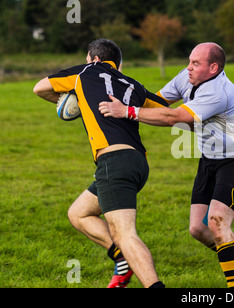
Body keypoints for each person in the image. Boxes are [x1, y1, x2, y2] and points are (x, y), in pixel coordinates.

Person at [99, 42, 234, 288]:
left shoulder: (217, 92)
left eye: (195, 64)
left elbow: (175, 117)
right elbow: (157, 102)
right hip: (211, 157)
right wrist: (109, 97)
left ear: (213, 67)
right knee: (198, 229)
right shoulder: (188, 77)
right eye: (189, 61)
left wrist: (127, 111)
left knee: (218, 222)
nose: (188, 68)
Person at [33, 38, 167, 288]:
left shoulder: (87, 71)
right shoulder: (133, 85)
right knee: (78, 213)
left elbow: (40, 88)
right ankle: (122, 259)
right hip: (137, 163)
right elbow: (162, 108)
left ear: (93, 59)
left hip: (113, 161)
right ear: (118, 63)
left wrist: (80, 101)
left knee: (125, 234)